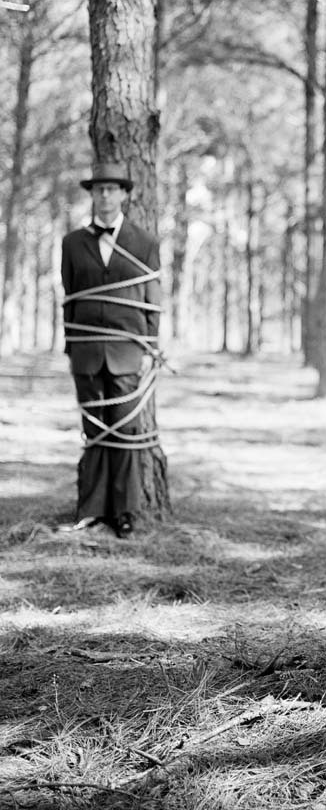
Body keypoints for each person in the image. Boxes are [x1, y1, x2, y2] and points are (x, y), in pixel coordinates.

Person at [61, 161, 161, 538]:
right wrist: (71, 346)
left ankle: (123, 512)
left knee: (124, 429)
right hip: (86, 353)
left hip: (126, 351)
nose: (104, 195)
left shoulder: (145, 243)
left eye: (111, 189)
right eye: (98, 189)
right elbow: (70, 298)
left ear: (124, 194)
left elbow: (152, 299)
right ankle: (91, 509)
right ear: (92, 194)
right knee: (95, 431)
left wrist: (150, 344)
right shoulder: (72, 243)